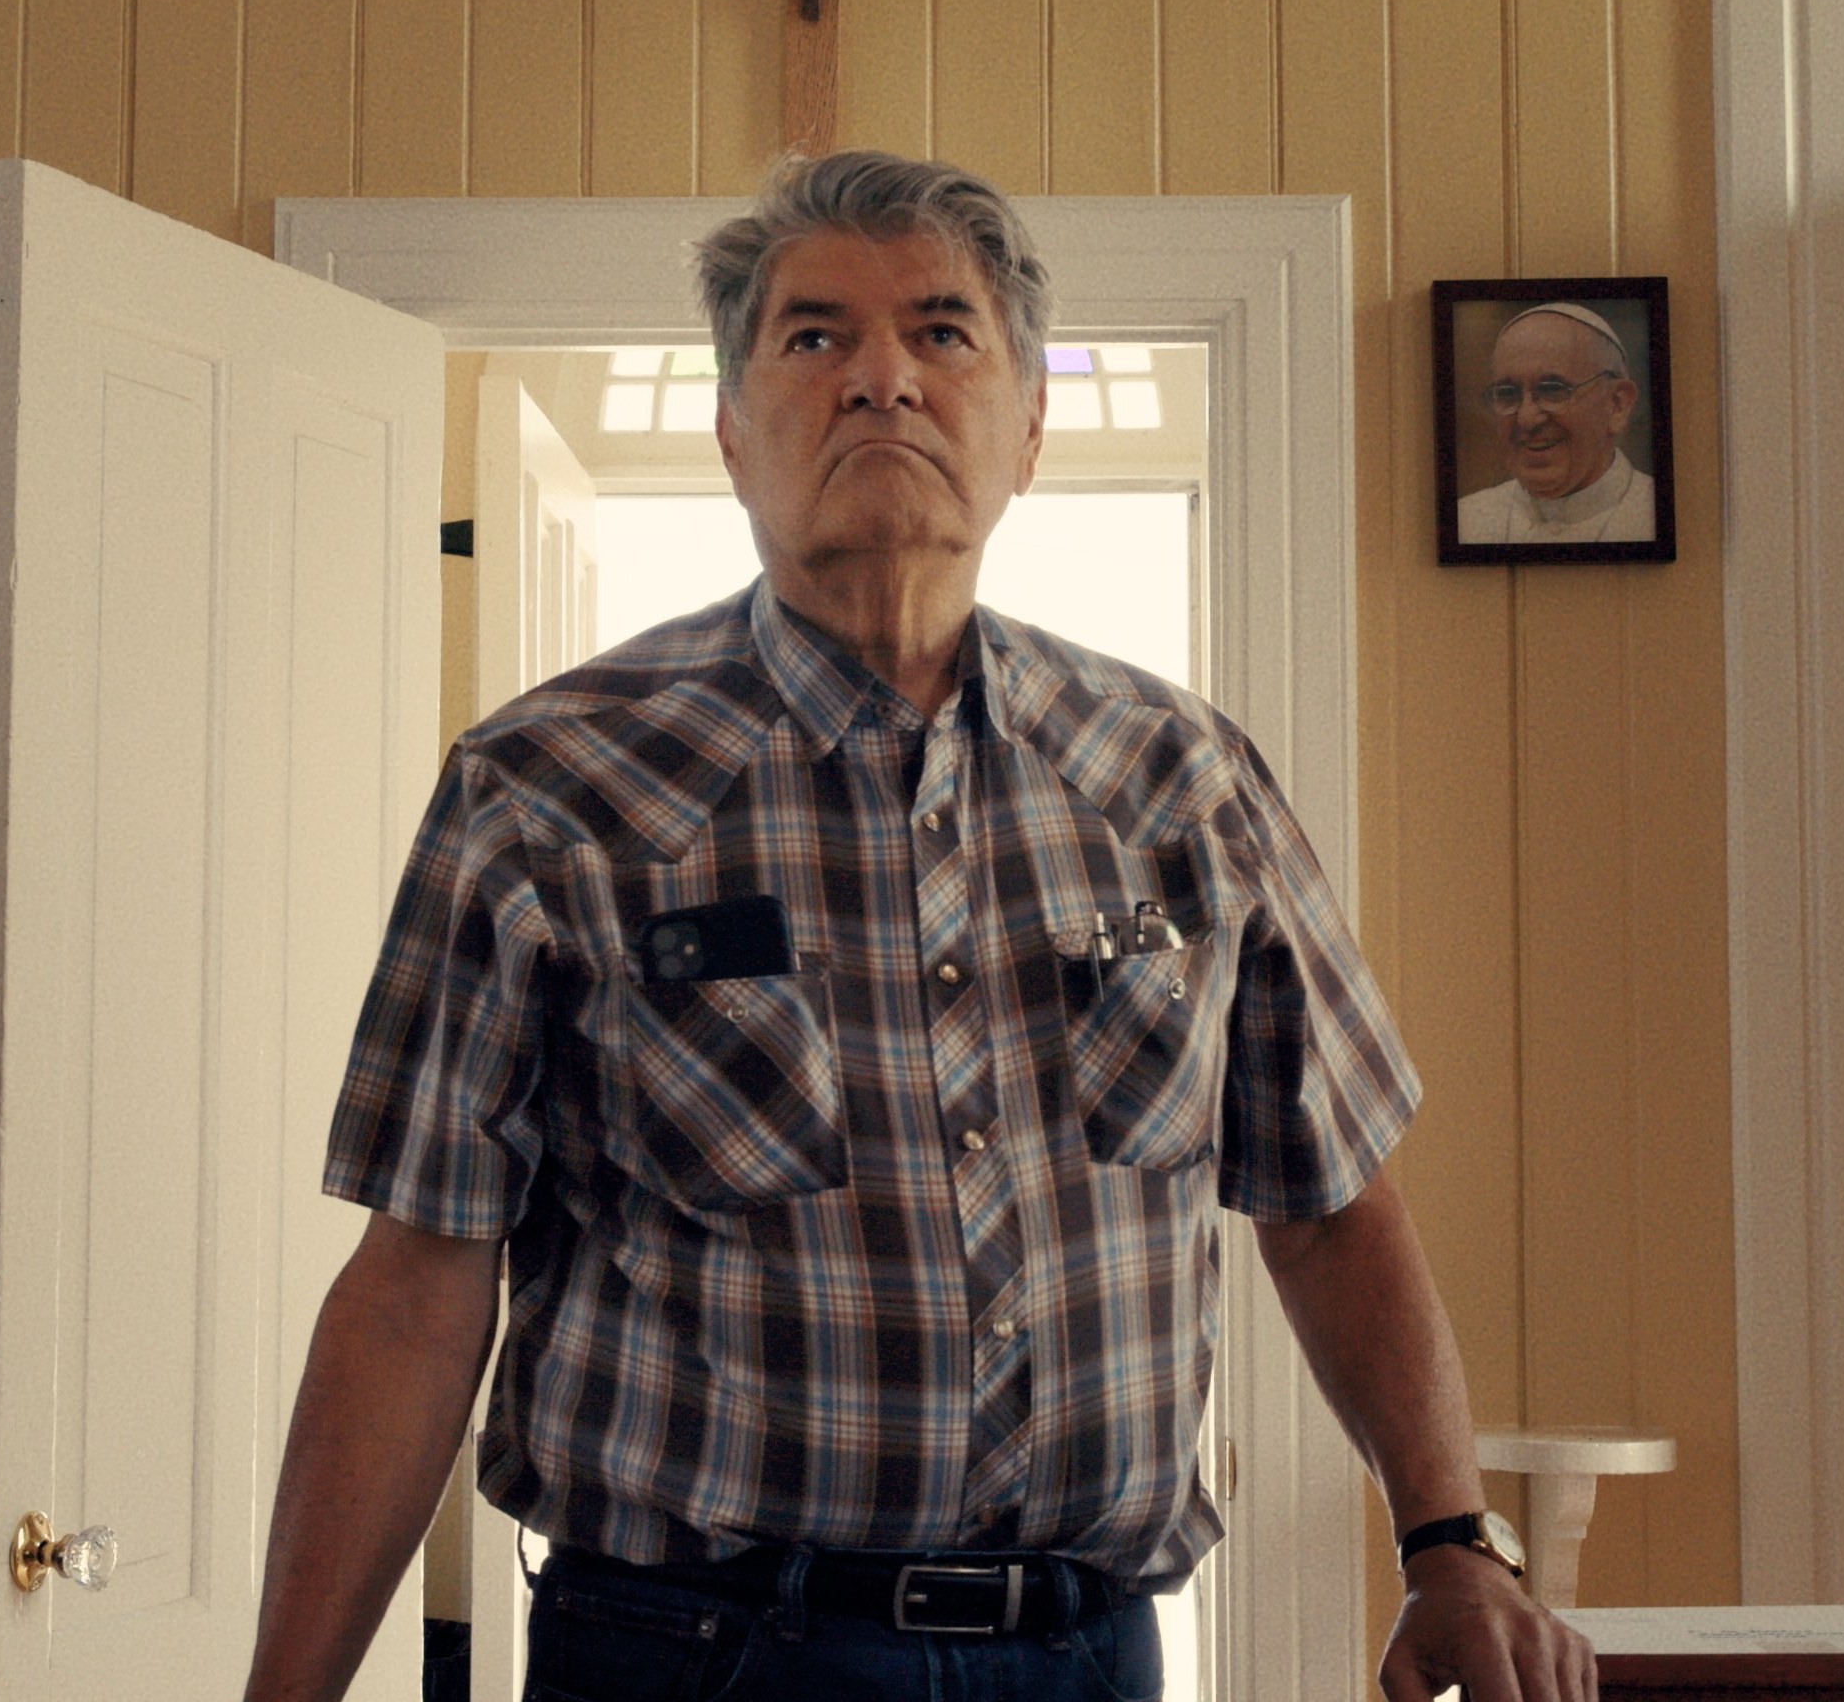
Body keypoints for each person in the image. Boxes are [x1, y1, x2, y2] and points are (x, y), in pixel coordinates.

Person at [243, 152, 1599, 1702]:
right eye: (813, 338)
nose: (881, 377)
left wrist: (1450, 1543)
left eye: (943, 333)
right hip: (691, 1659)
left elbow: (1330, 1203)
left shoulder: (1185, 778)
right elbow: (419, 1284)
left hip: (1086, 1659)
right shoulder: (542, 789)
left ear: (1027, 429)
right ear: (733, 431)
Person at [1452, 304, 1656, 544]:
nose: (1526, 419)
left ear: (1616, 404)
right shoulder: (1466, 521)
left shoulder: (1654, 516)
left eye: (1552, 390)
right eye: (1507, 394)